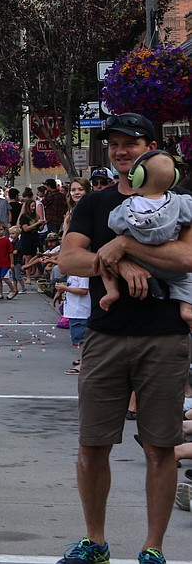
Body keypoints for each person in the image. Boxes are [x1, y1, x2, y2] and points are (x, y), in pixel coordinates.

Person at [56, 113, 191, 564]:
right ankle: (95, 542)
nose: (119, 152)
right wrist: (114, 264)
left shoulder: (183, 200)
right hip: (105, 334)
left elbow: (188, 257)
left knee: (160, 447)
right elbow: (69, 260)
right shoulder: (96, 204)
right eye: (113, 144)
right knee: (92, 445)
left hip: (165, 336)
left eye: (129, 144)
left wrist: (128, 246)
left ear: (152, 149)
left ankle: (152, 549)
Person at [98, 149, 192, 332]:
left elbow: (114, 224)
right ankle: (187, 308)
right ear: (174, 179)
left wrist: (125, 242)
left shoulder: (127, 206)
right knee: (186, 280)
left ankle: (112, 292)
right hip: (170, 266)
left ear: (138, 177)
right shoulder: (181, 202)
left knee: (106, 258)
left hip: (137, 261)